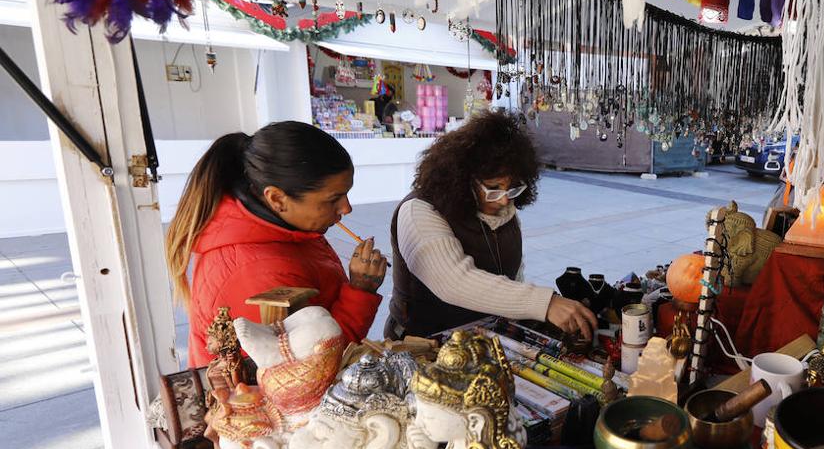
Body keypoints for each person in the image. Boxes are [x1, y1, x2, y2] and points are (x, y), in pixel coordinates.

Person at [166, 121, 388, 366]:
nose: (346, 208)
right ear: (276, 198)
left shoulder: (283, 225)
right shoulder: (256, 271)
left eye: (346, 193)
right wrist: (361, 291)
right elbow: (312, 366)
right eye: (334, 199)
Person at [387, 111, 596, 340]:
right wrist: (544, 303)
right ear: (463, 178)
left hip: (482, 340)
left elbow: (513, 277)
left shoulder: (503, 208)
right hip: (423, 344)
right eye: (493, 187)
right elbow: (454, 281)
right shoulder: (418, 211)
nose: (505, 199)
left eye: (513, 188)